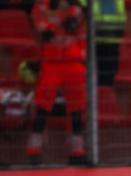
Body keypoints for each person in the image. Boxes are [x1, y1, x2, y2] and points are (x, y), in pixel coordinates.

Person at [28, 0, 87, 165]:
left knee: (77, 106)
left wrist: (82, 53)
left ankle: (77, 150)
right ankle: (34, 148)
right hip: (50, 62)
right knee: (42, 104)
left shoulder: (76, 7)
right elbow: (44, 30)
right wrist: (63, 20)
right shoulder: (42, 5)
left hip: (74, 62)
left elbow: (81, 32)